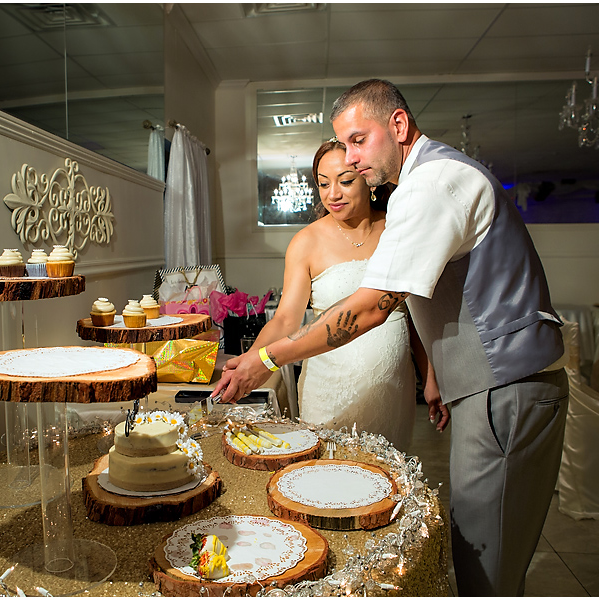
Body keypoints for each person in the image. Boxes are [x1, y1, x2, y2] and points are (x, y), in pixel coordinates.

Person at [212, 79, 569, 596]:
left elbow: (374, 310)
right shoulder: (422, 184)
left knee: (484, 563)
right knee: (474, 544)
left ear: (398, 125)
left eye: (359, 141)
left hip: (505, 388)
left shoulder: (429, 185)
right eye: (337, 159)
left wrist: (265, 356)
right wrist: (439, 378)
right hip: (489, 387)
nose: (351, 163)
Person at [246, 140, 443, 451]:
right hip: (327, 391)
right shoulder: (306, 242)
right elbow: (285, 318)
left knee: (384, 482)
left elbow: (416, 314)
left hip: (391, 392)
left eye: (345, 181)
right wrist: (251, 360)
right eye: (323, 184)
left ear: (369, 179)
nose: (332, 194)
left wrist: (430, 376)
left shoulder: (398, 230)